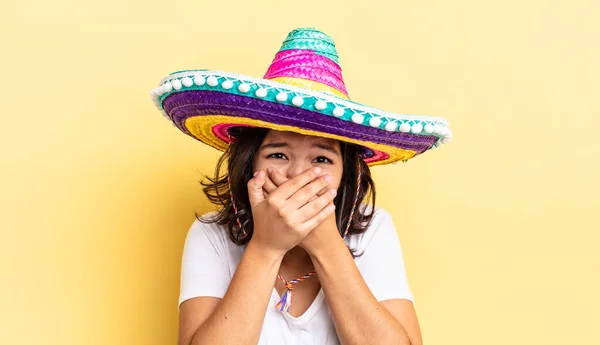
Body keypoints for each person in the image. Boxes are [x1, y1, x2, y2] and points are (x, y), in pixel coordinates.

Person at [150, 27, 452, 345]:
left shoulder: (374, 228)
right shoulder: (210, 234)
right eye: (278, 154)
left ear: (345, 175)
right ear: (249, 163)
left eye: (321, 159)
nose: (297, 175)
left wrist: (326, 245)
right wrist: (267, 247)